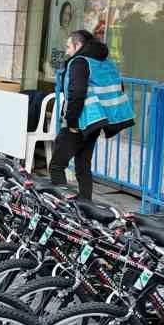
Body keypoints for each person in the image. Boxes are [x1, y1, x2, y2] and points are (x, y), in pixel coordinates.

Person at [49, 29, 133, 201]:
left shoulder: (79, 62)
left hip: (80, 121)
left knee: (57, 165)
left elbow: (77, 94)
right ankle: (85, 206)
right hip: (96, 122)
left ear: (78, 45)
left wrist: (71, 122)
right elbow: (119, 88)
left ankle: (62, 209)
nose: (66, 52)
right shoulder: (105, 62)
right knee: (83, 166)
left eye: (68, 47)